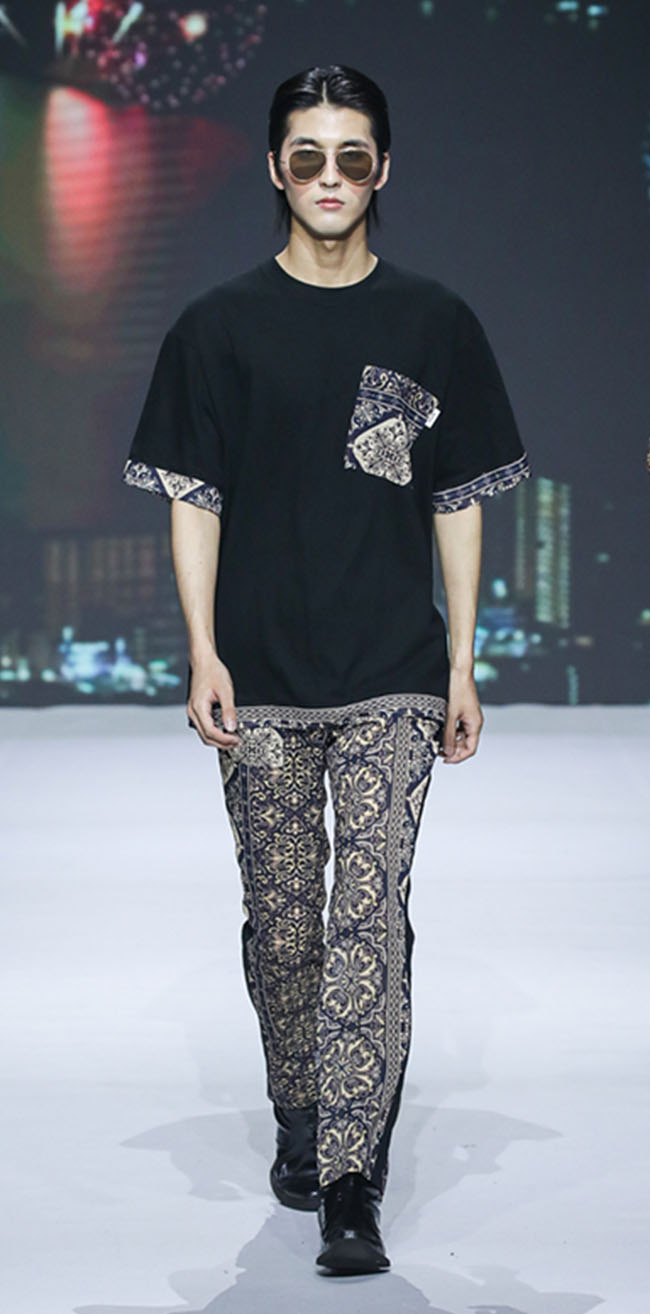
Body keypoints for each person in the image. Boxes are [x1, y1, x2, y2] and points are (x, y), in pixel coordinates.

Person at [120, 63, 532, 1276]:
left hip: (393, 667)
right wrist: (201, 648)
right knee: (284, 918)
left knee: (367, 912)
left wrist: (460, 661)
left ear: (383, 168)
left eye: (353, 155)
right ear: (274, 168)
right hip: (257, 669)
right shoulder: (216, 328)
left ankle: (351, 1173)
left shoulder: (432, 322)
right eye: (308, 155)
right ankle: (301, 1115)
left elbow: (455, 500)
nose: (331, 177)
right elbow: (195, 499)